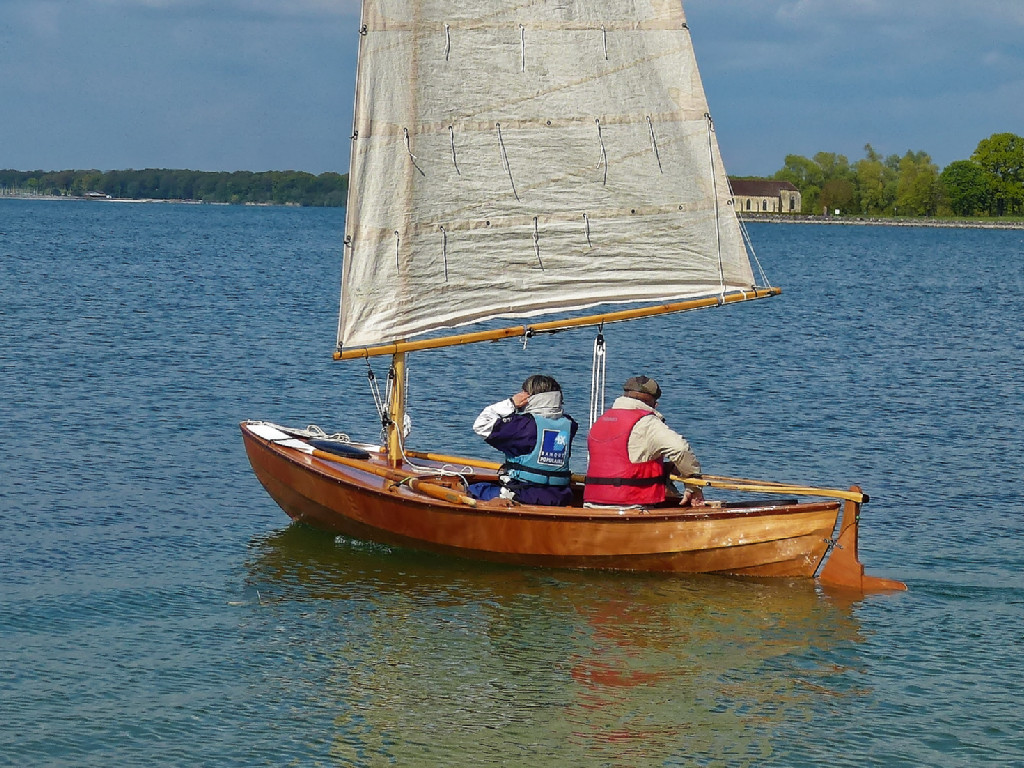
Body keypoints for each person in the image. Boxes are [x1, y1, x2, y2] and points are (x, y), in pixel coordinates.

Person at [584, 375, 705, 507]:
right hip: (630, 505)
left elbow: (618, 462)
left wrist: (663, 469)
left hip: (592, 503)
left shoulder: (602, 420)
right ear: (653, 403)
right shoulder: (648, 423)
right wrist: (693, 486)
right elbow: (680, 449)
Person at [469, 375, 579, 506]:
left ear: (528, 397)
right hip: (559, 497)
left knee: (472, 489)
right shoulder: (570, 424)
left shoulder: (523, 426)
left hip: (524, 495)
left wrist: (511, 403)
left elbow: (481, 425)